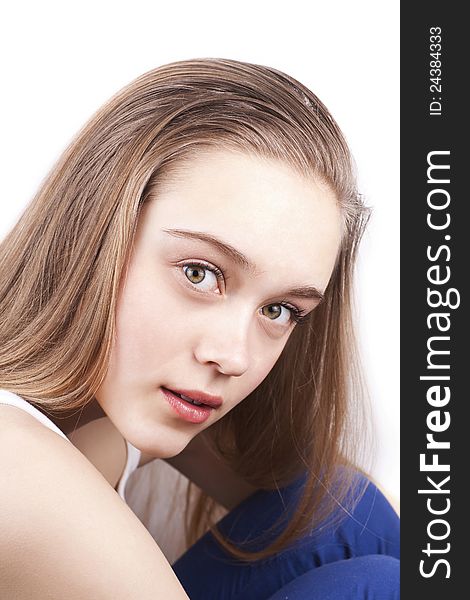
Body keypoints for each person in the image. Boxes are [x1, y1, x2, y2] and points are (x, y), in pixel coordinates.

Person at [0, 58, 399, 598]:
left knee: (348, 515)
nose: (234, 357)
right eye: (200, 274)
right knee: (376, 584)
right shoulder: (18, 466)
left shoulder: (113, 396)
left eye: (279, 310)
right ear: (95, 235)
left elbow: (346, 516)